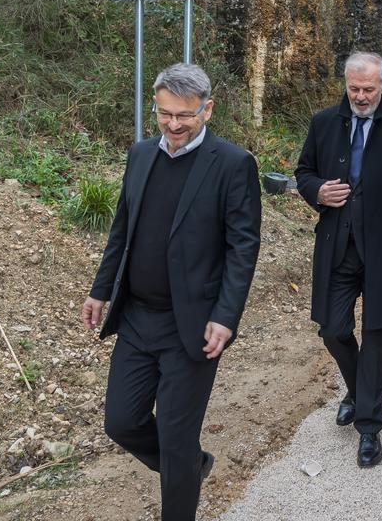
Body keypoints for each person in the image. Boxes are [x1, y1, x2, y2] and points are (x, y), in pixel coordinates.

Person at [81, 63, 262, 521]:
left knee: (177, 436)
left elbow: (243, 248)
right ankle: (189, 467)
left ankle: (180, 482)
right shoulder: (140, 155)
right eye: (164, 114)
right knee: (121, 422)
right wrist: (100, 290)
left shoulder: (233, 164)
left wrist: (226, 316)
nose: (174, 124)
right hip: (138, 318)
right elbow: (121, 231)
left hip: (195, 325)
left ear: (207, 109)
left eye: (185, 115)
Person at [294, 53, 382, 469]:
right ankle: (358, 390)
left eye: (368, 89)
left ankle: (369, 428)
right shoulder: (324, 122)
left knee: (378, 334)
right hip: (337, 247)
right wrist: (316, 192)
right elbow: (303, 171)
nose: (360, 97)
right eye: (353, 89)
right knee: (332, 330)